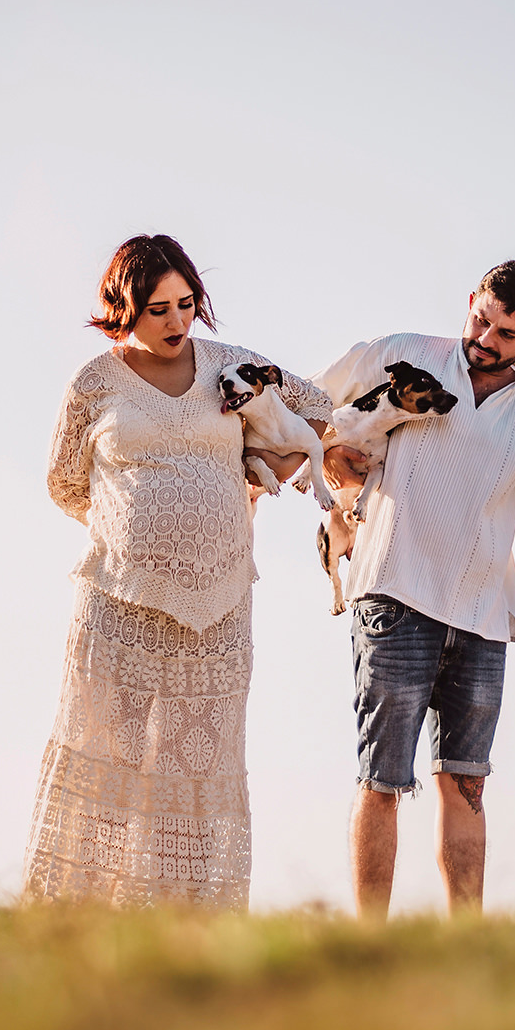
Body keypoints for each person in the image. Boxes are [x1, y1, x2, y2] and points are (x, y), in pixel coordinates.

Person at [22, 234, 332, 907]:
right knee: (110, 755)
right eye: (157, 307)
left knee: (197, 763)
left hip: (219, 601)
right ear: (123, 306)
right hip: (119, 598)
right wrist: (131, 529)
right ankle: (81, 916)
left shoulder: (232, 364)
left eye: (186, 304)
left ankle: (188, 917)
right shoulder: (94, 382)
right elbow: (64, 482)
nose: (175, 321)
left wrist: (262, 476)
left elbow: (317, 406)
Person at [313, 259, 515, 919]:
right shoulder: (402, 355)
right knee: (382, 778)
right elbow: (310, 409)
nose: (485, 338)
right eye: (480, 319)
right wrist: (335, 466)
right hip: (393, 594)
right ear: (471, 301)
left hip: (482, 618)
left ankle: (466, 943)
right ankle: (369, 946)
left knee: (467, 784)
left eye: (505, 334)